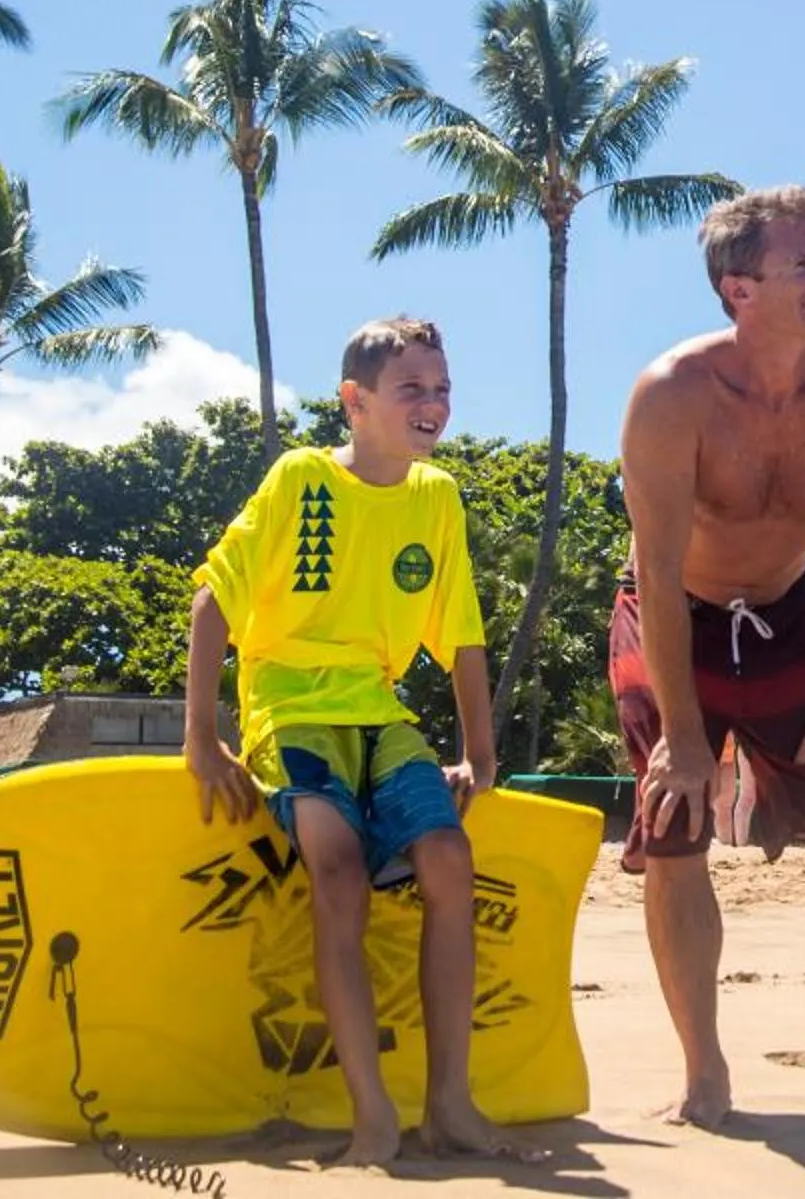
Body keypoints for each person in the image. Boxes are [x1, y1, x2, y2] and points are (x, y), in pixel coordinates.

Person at [612, 186, 805, 1133]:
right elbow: (659, 573)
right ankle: (704, 1074)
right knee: (675, 832)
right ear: (737, 288)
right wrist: (680, 734)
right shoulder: (672, 394)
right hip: (676, 618)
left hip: (789, 619)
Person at [183, 316, 526, 1168]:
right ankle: (372, 1113)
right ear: (355, 401)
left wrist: (479, 757)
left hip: (378, 713)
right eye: (412, 388)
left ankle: (449, 1101)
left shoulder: (435, 496)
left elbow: (464, 636)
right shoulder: (300, 478)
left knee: (449, 859)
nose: (433, 404)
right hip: (290, 708)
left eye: (442, 389)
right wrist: (202, 741)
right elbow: (213, 604)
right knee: (336, 872)